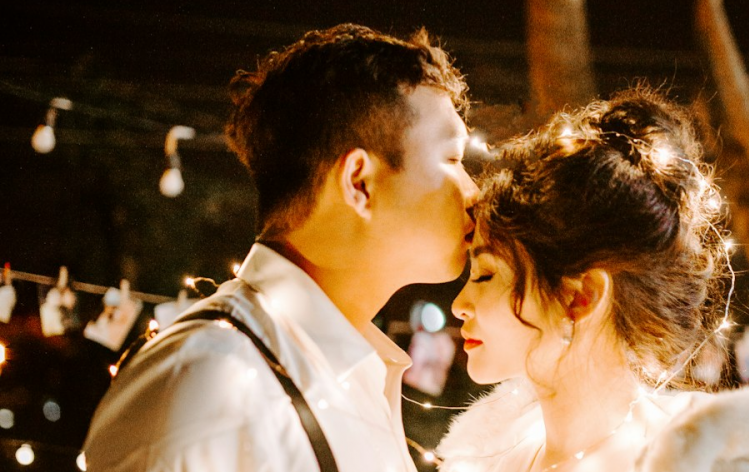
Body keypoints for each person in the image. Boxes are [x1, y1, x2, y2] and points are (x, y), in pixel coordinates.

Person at [84, 23, 478, 471]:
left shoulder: (359, 371)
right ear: (359, 183)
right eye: (453, 158)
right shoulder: (211, 390)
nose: (475, 192)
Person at [436, 88, 749, 472]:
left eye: (485, 275)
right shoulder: (486, 458)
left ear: (581, 298)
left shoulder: (712, 461)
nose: (459, 305)